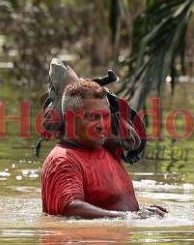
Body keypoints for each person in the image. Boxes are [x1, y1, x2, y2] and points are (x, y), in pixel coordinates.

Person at [41, 79, 167, 219]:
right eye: (92, 117)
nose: (102, 125)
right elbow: (71, 208)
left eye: (105, 116)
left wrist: (138, 211)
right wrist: (127, 217)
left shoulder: (105, 150)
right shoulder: (63, 160)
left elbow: (108, 203)